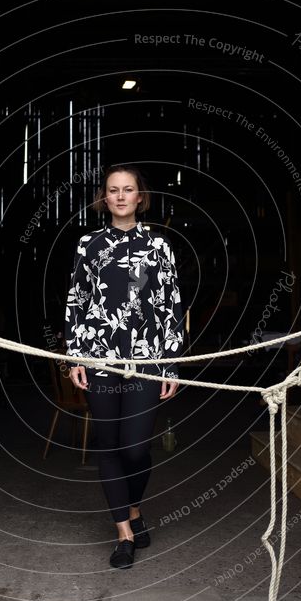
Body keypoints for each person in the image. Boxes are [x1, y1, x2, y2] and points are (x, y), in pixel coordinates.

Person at [64, 163, 184, 569]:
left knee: (135, 448)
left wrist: (171, 364)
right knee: (109, 447)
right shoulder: (88, 245)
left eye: (127, 189)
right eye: (112, 189)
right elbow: (76, 303)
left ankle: (134, 508)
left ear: (139, 197)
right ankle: (124, 534)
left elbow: (171, 307)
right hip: (99, 359)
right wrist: (75, 356)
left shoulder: (159, 246)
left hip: (146, 361)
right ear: (104, 197)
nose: (119, 196)